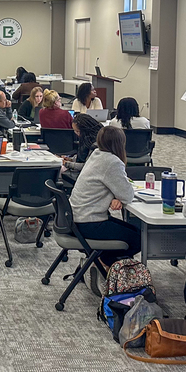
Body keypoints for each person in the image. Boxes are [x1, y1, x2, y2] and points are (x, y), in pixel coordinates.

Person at [69, 125, 141, 268]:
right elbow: (127, 195)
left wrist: (115, 196)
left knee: (133, 231)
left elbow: (108, 185)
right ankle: (104, 264)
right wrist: (118, 195)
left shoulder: (96, 154)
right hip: (90, 223)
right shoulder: (112, 162)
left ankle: (100, 262)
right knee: (139, 239)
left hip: (76, 218)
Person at [62, 113, 102, 183]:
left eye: (77, 131)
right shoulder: (85, 138)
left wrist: (66, 163)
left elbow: (87, 166)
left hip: (87, 175)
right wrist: (71, 159)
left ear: (85, 130)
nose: (76, 133)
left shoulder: (95, 145)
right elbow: (83, 157)